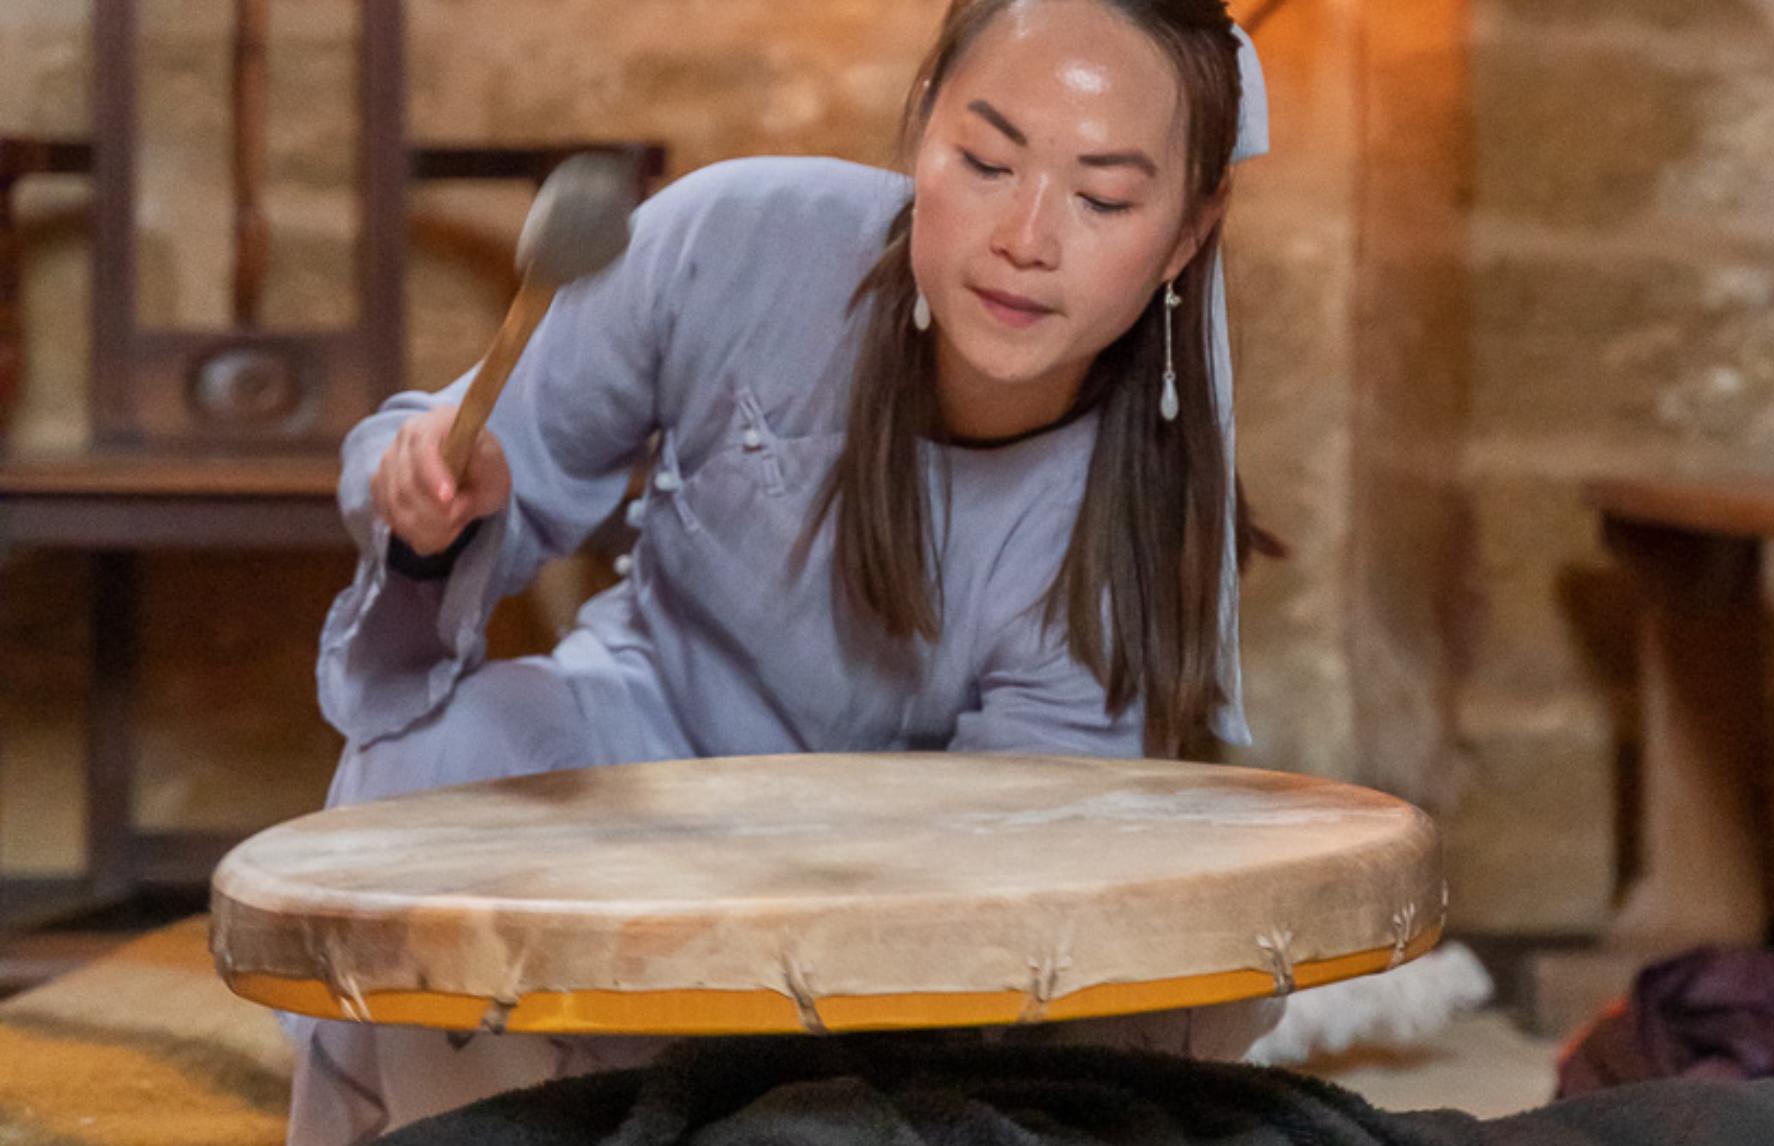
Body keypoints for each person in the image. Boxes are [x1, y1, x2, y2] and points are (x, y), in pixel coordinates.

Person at [288, 2, 1278, 1142]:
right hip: (643, 757)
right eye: (985, 161)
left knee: (1172, 988)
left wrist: (794, 936)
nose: (1026, 237)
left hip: (898, 882)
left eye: (1102, 199)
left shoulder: (1135, 522)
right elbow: (484, 443)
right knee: (440, 762)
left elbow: (1008, 874)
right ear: (924, 123)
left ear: (1189, 233)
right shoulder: (737, 235)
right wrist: (435, 491)